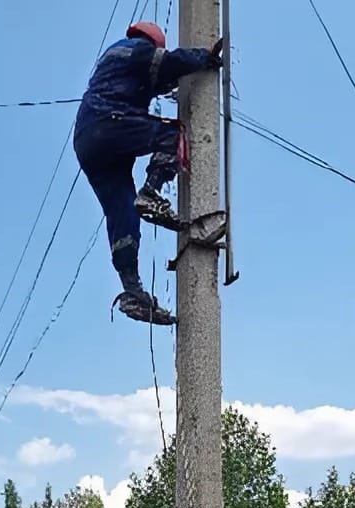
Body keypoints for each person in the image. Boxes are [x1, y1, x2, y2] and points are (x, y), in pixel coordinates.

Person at [74, 21, 224, 326]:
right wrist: (205, 58)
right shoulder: (139, 50)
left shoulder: (113, 58)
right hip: (111, 122)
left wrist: (167, 86)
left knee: (121, 209)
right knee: (173, 135)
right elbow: (170, 63)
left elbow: (154, 80)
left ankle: (132, 290)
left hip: (87, 141)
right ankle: (153, 191)